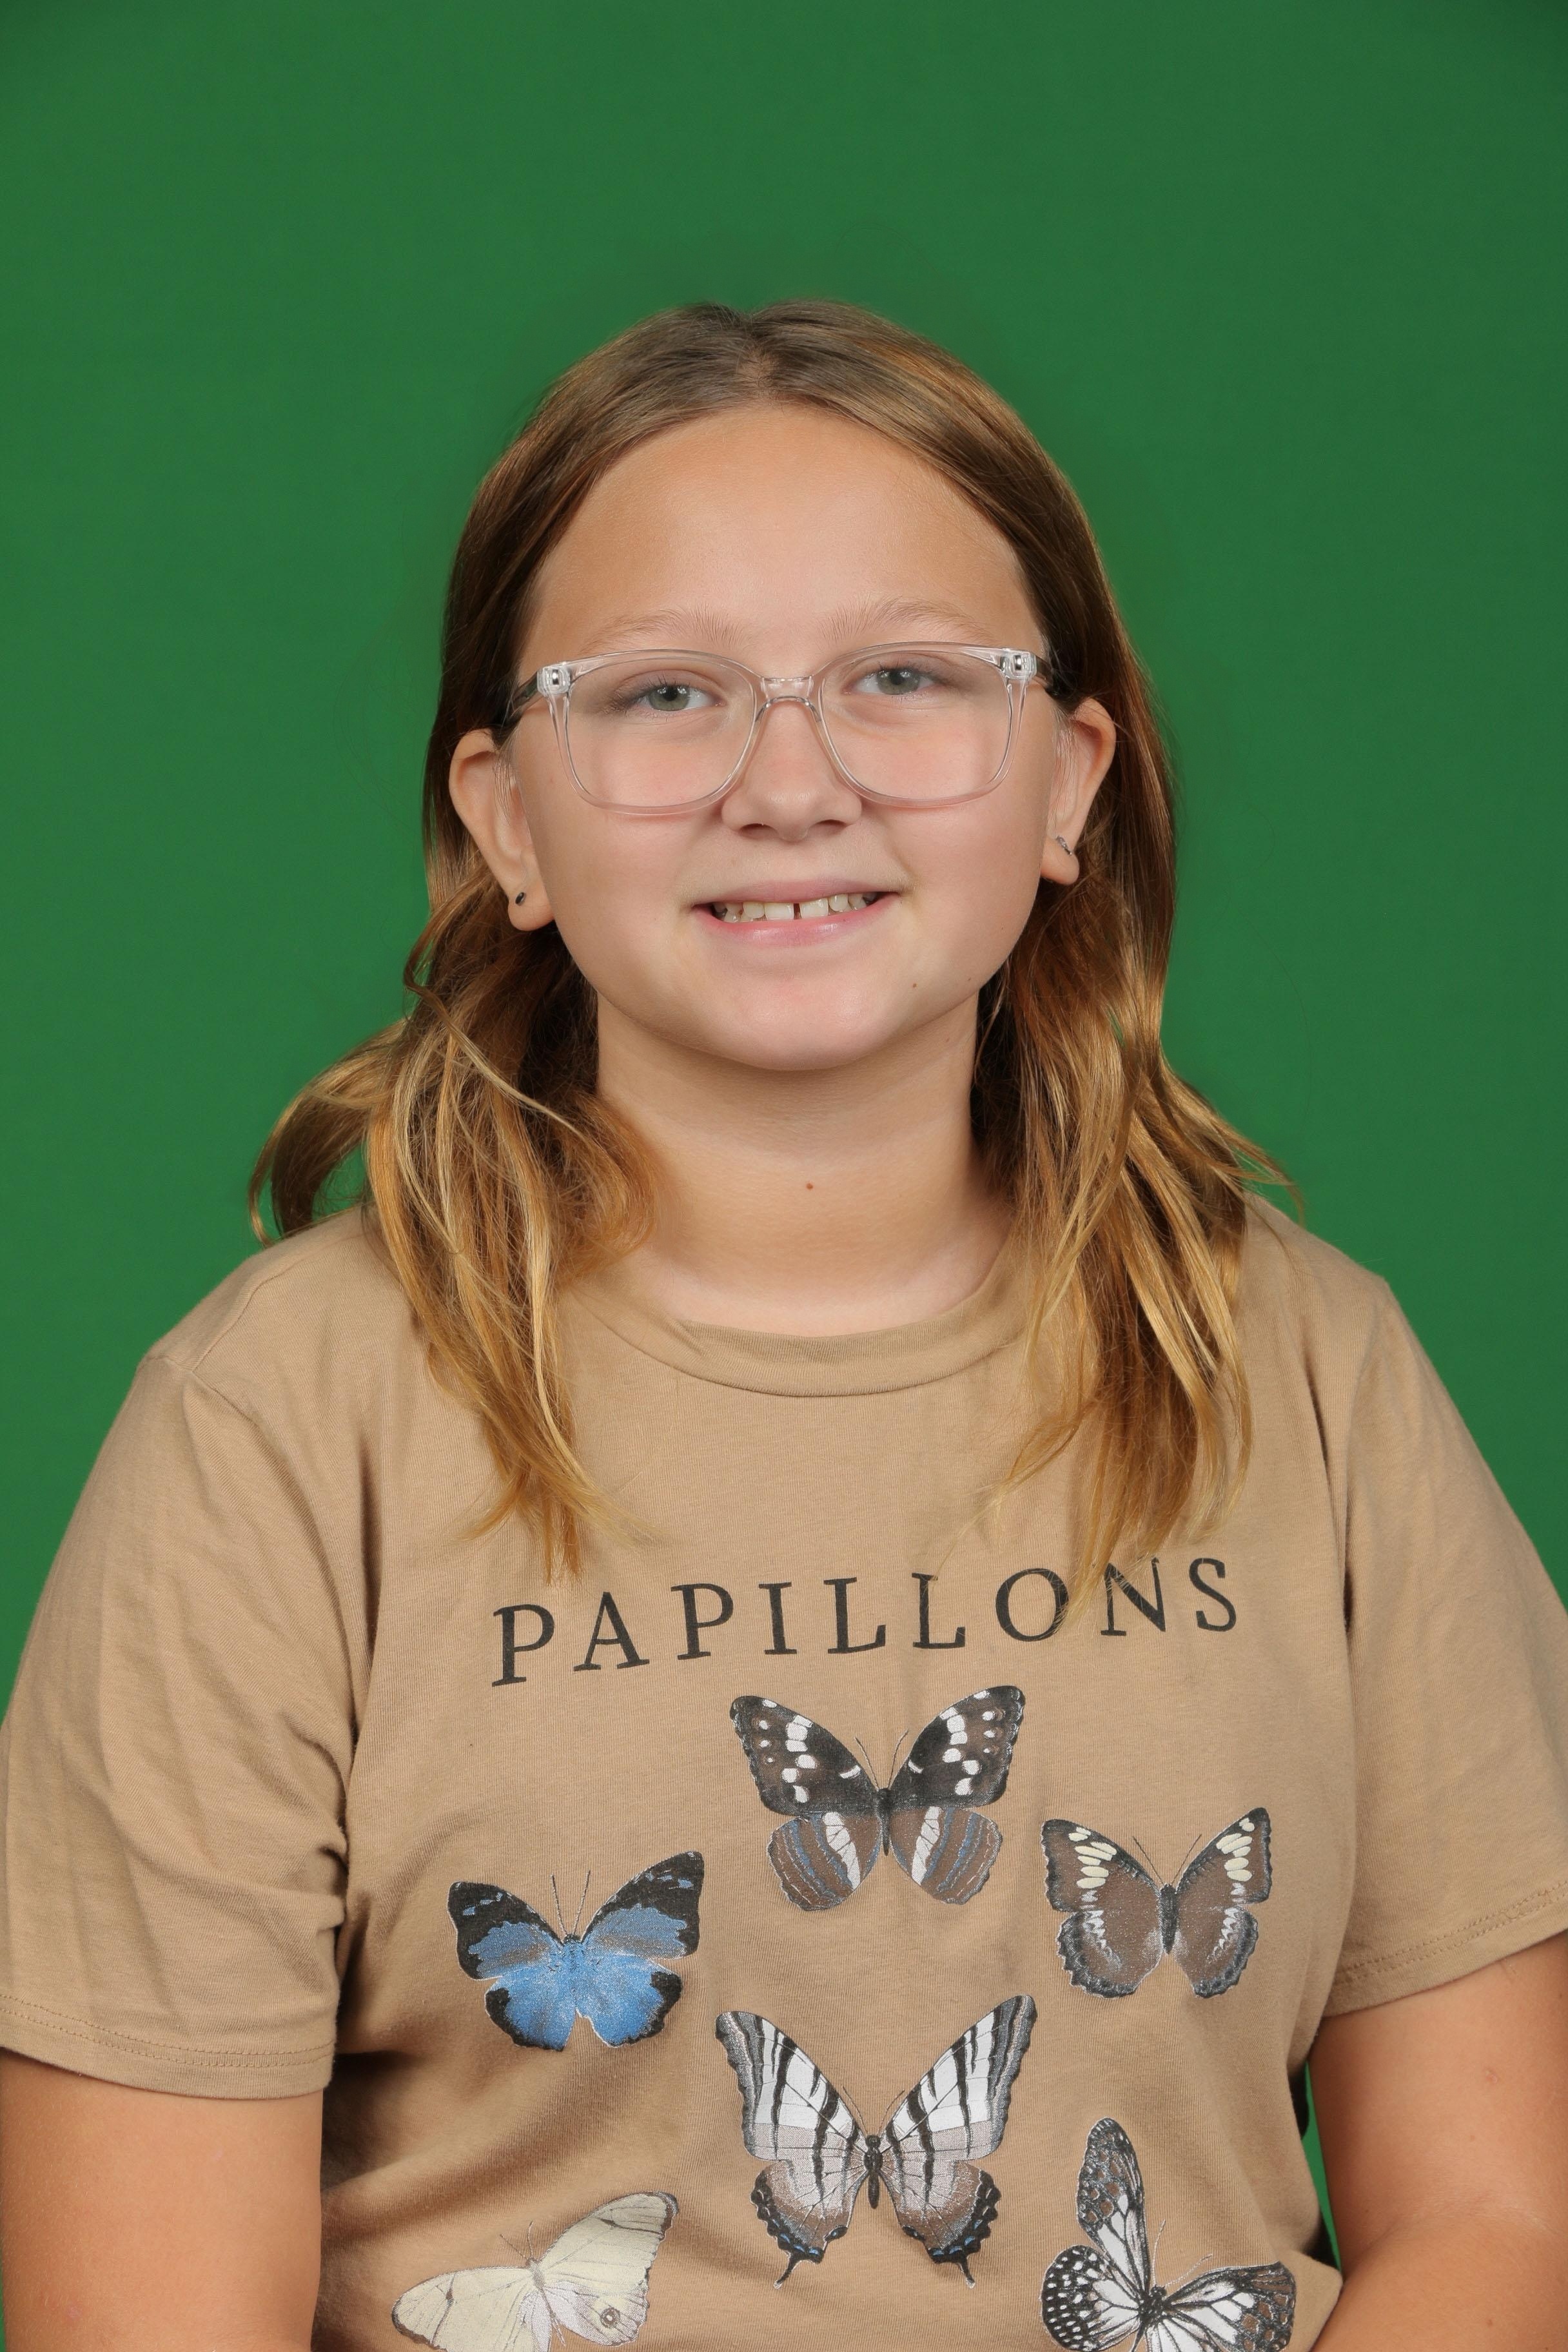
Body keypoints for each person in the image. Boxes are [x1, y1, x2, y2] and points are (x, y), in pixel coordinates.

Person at [1, 300, 1564, 2352]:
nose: (791, 782)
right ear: (508, 817)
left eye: (905, 677)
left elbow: (1501, 2226)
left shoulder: (1316, 1376)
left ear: (1069, 780)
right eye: (667, 694)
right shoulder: (275, 1429)